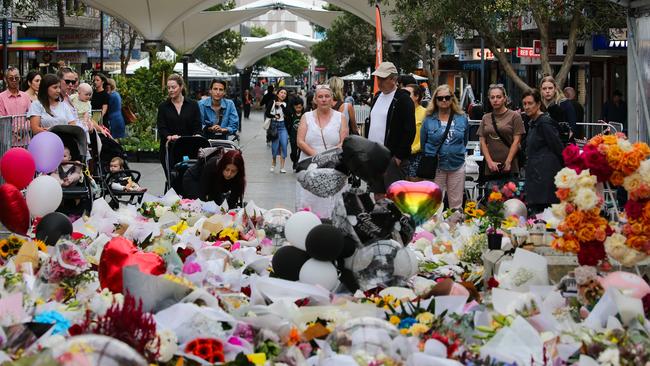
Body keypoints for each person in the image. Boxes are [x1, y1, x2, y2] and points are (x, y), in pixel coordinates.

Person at [296, 84, 349, 217]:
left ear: (332, 99)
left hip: (333, 168)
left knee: (331, 206)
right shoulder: (306, 117)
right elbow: (300, 141)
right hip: (310, 167)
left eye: (327, 96)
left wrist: (329, 158)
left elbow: (344, 142)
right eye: (320, 97)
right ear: (315, 100)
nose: (324, 99)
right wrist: (318, 157)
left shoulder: (340, 117)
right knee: (309, 204)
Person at [365, 61, 416, 195]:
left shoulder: (403, 100)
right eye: (378, 78)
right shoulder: (376, 97)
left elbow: (409, 130)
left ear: (394, 79)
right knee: (378, 195)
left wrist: (398, 157)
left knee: (394, 198)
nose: (379, 82)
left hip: (392, 158)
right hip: (375, 156)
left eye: (383, 78)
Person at [420, 85, 469, 210]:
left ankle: (454, 228)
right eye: (440, 98)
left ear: (452, 99)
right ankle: (431, 229)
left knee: (456, 204)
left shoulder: (462, 118)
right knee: (433, 204)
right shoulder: (428, 120)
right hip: (436, 166)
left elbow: (465, 140)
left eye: (447, 97)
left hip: (457, 164)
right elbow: (423, 142)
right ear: (435, 100)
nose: (444, 101)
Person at [522, 89, 564, 215]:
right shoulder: (534, 123)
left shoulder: (544, 123)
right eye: (524, 104)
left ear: (538, 104)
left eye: (530, 103)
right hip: (537, 177)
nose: (527, 107)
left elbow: (558, 148)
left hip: (545, 180)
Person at [478, 84, 525, 186]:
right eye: (492, 97)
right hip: (490, 168)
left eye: (499, 97)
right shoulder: (486, 117)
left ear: (505, 98)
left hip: (510, 166)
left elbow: (517, 141)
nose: (495, 100)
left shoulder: (514, 116)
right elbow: (482, 141)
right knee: (492, 199)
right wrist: (489, 162)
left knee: (510, 200)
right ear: (489, 99)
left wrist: (508, 162)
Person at [156, 74, 202, 176]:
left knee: (188, 178)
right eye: (168, 88)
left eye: (173, 87)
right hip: (169, 149)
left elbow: (197, 125)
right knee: (173, 178)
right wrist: (169, 136)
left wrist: (197, 135)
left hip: (188, 148)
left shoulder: (193, 104)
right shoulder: (163, 107)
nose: (170, 90)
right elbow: (161, 127)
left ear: (181, 87)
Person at [266, 87, 291, 173]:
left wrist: (282, 106)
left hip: (283, 126)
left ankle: (282, 167)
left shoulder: (286, 104)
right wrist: (274, 116)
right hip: (274, 126)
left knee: (284, 145)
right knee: (275, 147)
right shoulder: (272, 102)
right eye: (281, 92)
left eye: (285, 93)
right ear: (277, 94)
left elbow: (289, 113)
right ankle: (273, 163)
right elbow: (267, 113)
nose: (283, 94)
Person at [403, 84, 426, 178]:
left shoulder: (425, 113)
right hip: (401, 155)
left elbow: (427, 137)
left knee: (414, 187)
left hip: (417, 155)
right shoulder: (401, 111)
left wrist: (414, 149)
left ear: (417, 96)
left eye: (408, 94)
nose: (404, 97)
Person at [289, 98, 304, 171]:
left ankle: (298, 163)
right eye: (296, 107)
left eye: (300, 107)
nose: (298, 109)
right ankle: (294, 160)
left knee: (301, 151)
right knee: (294, 152)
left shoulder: (305, 115)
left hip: (302, 137)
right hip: (293, 137)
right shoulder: (291, 115)